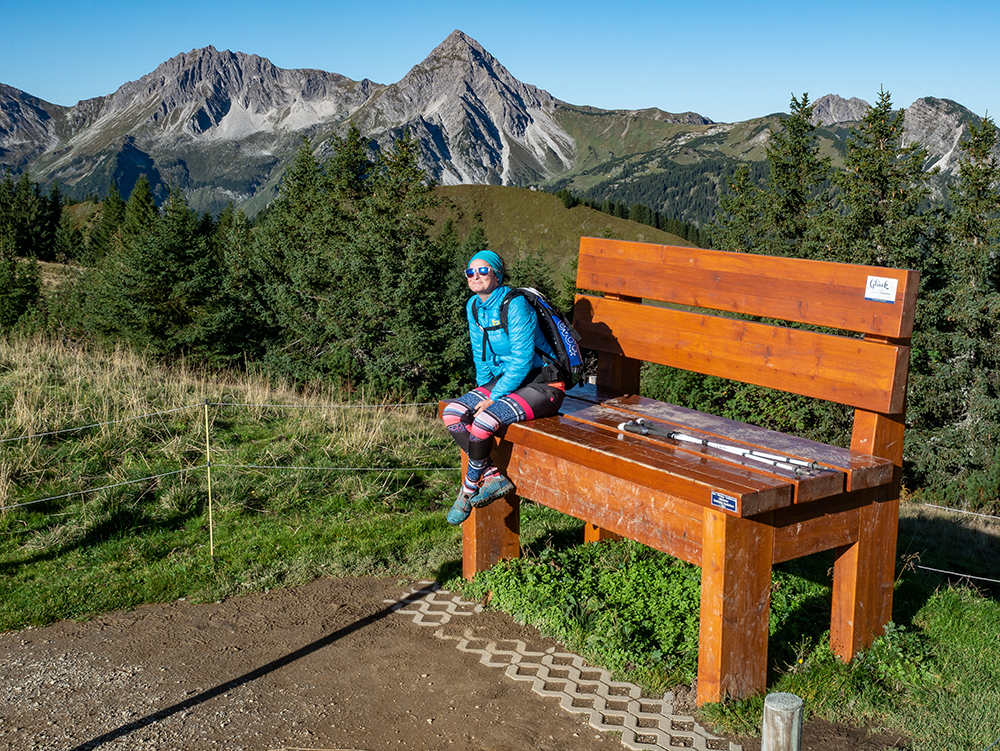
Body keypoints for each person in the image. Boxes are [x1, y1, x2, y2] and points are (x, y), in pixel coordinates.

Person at [441, 251, 566, 525]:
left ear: (497, 274)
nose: (476, 276)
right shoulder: (474, 306)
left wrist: (494, 398)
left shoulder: (516, 304)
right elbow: (481, 355)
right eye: (470, 272)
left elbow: (522, 361)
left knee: (484, 419)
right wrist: (483, 390)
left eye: (483, 271)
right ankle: (492, 476)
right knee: (452, 413)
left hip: (543, 383)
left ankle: (468, 488)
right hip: (507, 381)